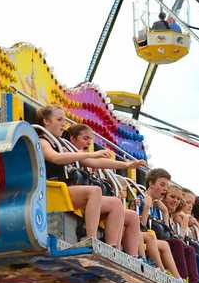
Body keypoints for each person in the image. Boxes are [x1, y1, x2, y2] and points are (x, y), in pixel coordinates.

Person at [36, 105, 130, 252]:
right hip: (52, 189)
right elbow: (55, 158)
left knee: (115, 203)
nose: (63, 124)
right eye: (59, 119)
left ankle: (113, 247)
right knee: (94, 191)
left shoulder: (62, 144)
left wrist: (127, 164)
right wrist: (90, 154)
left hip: (66, 189)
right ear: (46, 121)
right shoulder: (43, 141)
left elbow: (95, 163)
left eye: (64, 120)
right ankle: (89, 239)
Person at [63, 123, 152, 263]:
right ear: (73, 138)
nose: (88, 142)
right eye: (85, 138)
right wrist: (94, 154)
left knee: (132, 216)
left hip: (88, 197)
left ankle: (133, 257)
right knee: (115, 202)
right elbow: (92, 161)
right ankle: (107, 245)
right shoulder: (66, 149)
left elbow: (101, 163)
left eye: (90, 139)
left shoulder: (82, 156)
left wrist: (127, 165)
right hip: (72, 194)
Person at [144, 169, 199, 283]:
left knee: (190, 250)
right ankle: (182, 279)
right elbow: (142, 226)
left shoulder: (161, 210)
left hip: (160, 238)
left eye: (178, 199)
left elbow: (166, 231)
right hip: (150, 238)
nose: (176, 201)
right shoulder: (146, 201)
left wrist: (165, 212)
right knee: (177, 243)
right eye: (173, 197)